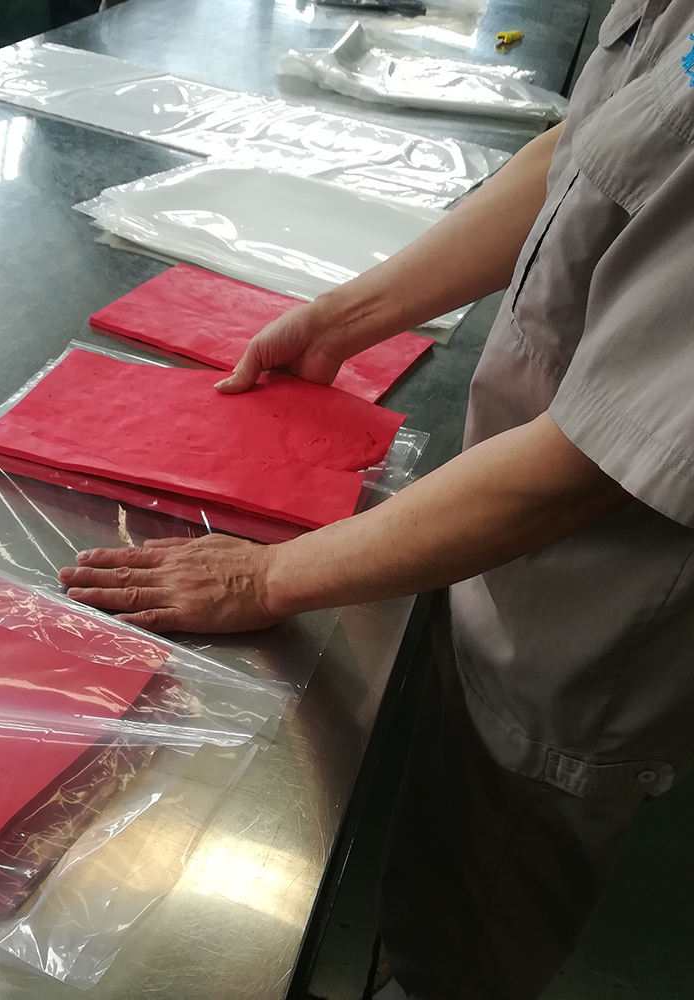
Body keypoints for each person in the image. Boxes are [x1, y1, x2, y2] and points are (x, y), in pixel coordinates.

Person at [60, 2, 694, 997]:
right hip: (486, 537)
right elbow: (583, 152)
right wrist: (349, 315)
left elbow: (590, 462)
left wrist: (267, 576)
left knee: (470, 925)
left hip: (578, 619)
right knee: (412, 838)